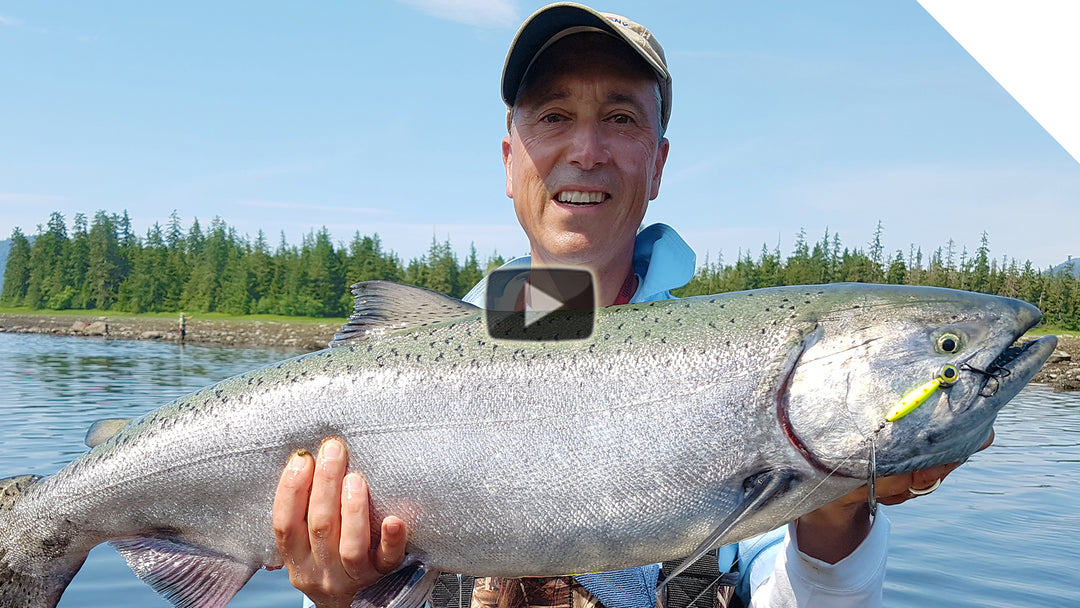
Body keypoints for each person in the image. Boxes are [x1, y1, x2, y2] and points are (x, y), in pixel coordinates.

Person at [272, 4, 980, 607]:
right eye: (554, 115)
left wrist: (835, 516)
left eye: (619, 117)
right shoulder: (408, 364)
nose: (586, 149)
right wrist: (337, 595)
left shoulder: (753, 378)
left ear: (659, 163)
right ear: (509, 159)